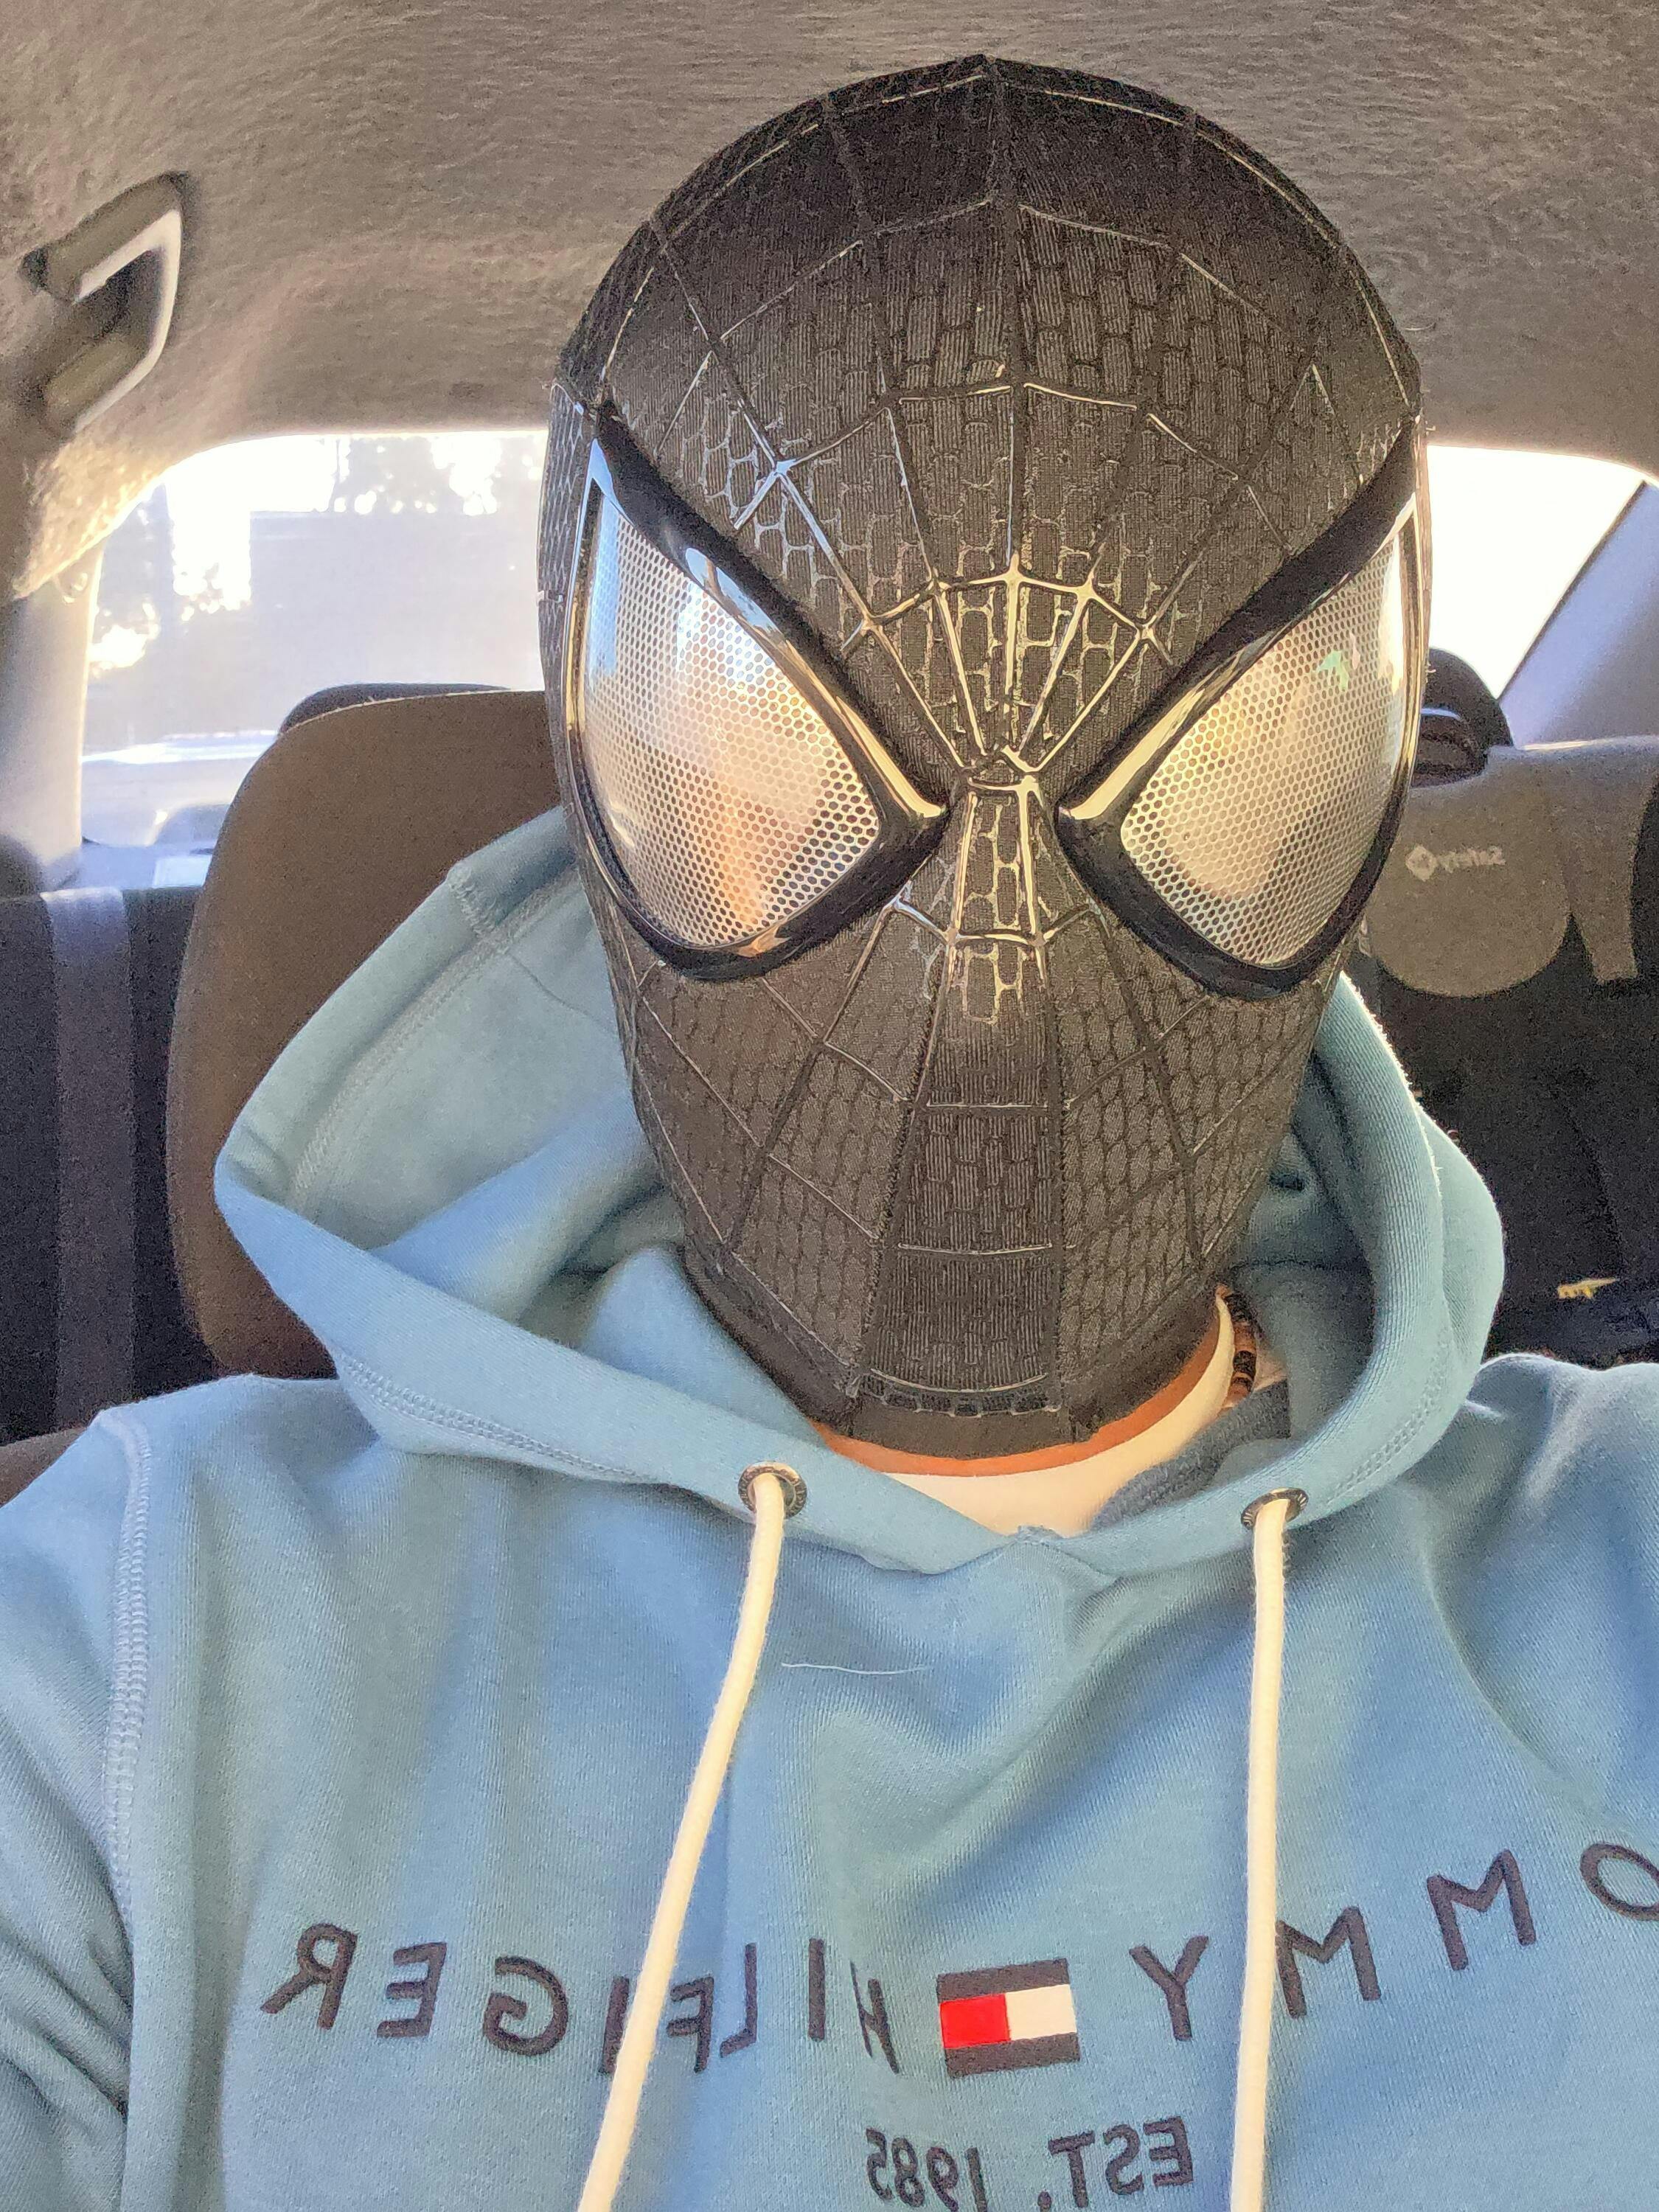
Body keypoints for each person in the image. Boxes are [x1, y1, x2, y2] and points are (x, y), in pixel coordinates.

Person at [4, 54, 1658, 2212]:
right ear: (598, 757)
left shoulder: (1620, 1555)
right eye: (780, 732)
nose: (988, 966)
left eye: (1206, 747)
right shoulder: (132, 1645)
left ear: (1348, 788)